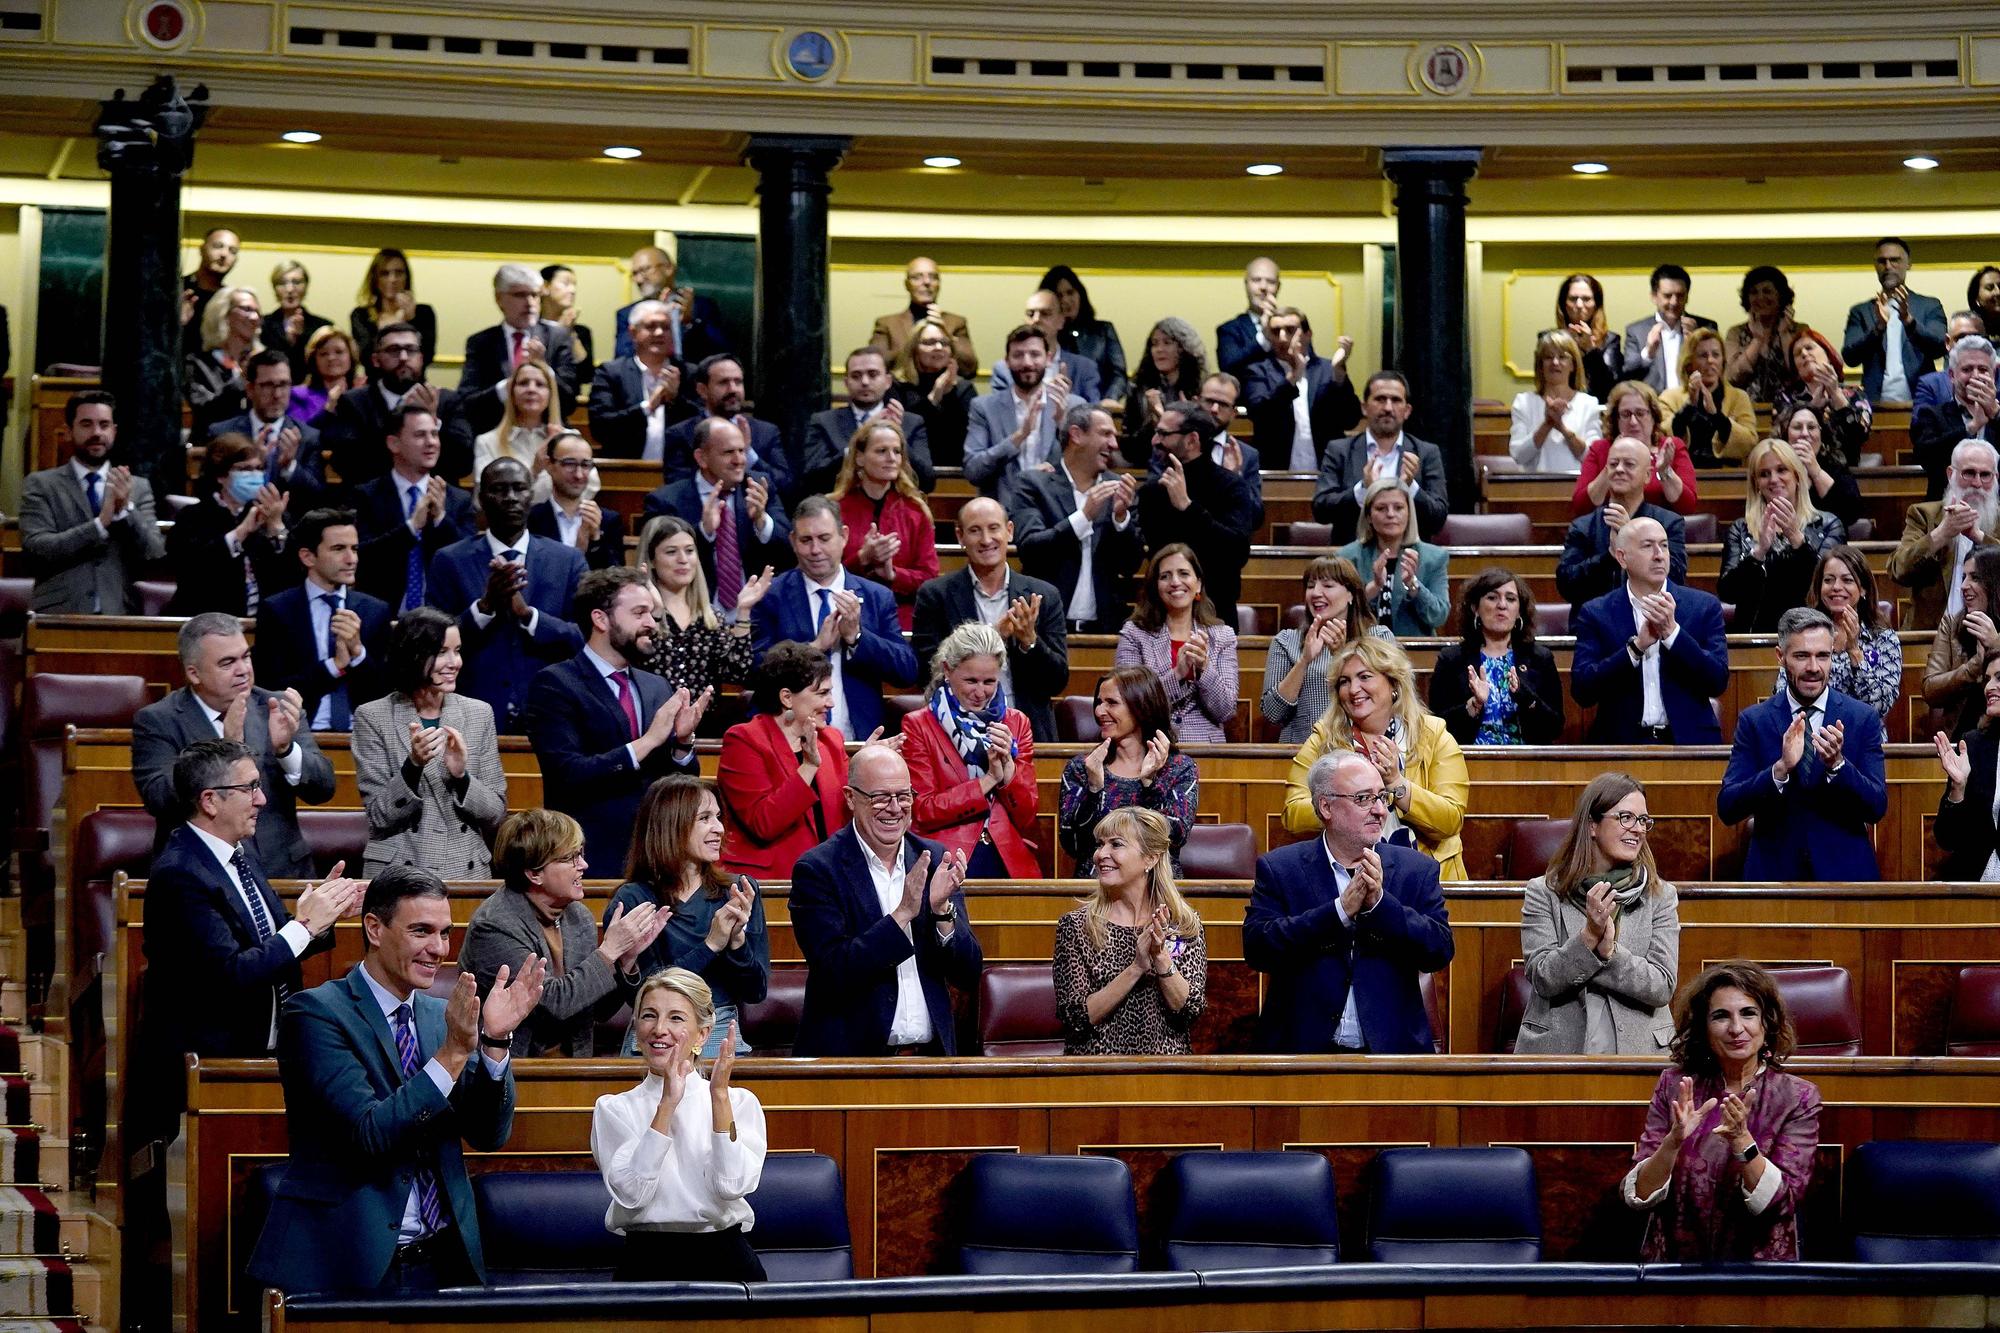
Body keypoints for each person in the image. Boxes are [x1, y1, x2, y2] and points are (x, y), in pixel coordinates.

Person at [244, 866, 545, 1295]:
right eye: (421, 931)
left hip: (442, 1261)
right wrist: (454, 1053)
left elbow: (489, 1133)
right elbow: (368, 1133)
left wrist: (495, 1042)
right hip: (348, 1263)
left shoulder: (439, 1016)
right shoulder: (317, 1013)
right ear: (374, 928)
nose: (438, 948)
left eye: (444, 933)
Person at [142, 738, 363, 1061]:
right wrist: (305, 926)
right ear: (210, 801)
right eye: (250, 788)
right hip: (209, 1066)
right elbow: (232, 973)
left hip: (264, 1048)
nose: (261, 799)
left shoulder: (241, 855)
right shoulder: (180, 874)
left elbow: (269, 943)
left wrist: (324, 916)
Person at [1246, 750, 1454, 1054]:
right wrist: (1338, 912)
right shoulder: (1280, 869)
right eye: (1364, 799)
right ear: (1326, 807)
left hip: (1391, 1058)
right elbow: (1258, 949)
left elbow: (1439, 950)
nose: (1380, 811)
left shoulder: (1416, 870)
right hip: (1302, 1057)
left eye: (1382, 797)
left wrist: (1382, 905)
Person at [789, 743, 983, 1056]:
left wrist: (941, 912)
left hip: (931, 1060)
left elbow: (968, 971)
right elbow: (834, 971)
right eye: (880, 797)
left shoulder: (933, 858)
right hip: (851, 1066)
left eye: (904, 796)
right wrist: (903, 914)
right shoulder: (818, 869)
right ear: (851, 798)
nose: (894, 808)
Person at [1624, 961, 1822, 1261]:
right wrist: (1673, 1141)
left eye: (1748, 1013)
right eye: (1720, 1016)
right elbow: (1639, 1194)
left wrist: (1742, 1141)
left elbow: (1782, 1202)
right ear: (1703, 1027)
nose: (1736, 1028)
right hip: (1675, 1270)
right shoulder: (1675, 1084)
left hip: (1759, 1274)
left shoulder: (1797, 1096)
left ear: (1766, 1022)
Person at [524, 567, 706, 877]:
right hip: (591, 856)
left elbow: (675, 782)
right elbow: (567, 773)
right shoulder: (555, 684)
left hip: (656, 856)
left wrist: (682, 743)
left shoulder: (656, 686)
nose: (651, 623)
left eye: (651, 613)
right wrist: (646, 742)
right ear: (601, 619)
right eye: (639, 613)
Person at [590, 968, 767, 1281]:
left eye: (675, 1018)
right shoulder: (613, 1108)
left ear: (701, 1034)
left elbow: (732, 1186)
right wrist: (667, 1104)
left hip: (725, 1259)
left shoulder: (739, 1102)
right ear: (635, 1027)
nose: (659, 1029)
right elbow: (632, 1194)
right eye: (648, 1016)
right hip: (646, 1261)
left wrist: (719, 1098)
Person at [133, 613, 337, 877]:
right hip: (199, 878)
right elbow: (159, 798)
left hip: (281, 874)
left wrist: (286, 751)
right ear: (194, 673)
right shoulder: (159, 720)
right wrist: (225, 747)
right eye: (227, 662)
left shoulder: (274, 706)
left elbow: (323, 789)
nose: (243, 669)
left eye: (245, 657)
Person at [466, 808, 666, 1058]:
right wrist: (609, 951)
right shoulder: (495, 926)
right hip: (513, 1068)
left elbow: (596, 1008)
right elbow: (553, 1003)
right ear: (534, 873)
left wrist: (625, 960)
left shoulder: (578, 916)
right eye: (570, 858)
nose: (584, 865)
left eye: (580, 854)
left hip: (573, 1064)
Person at [1282, 636, 1470, 879]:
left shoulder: (1432, 735)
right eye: (1344, 681)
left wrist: (1396, 784)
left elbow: (1451, 819)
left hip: (1426, 878)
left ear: (1393, 684)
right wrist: (1345, 803)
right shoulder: (1324, 739)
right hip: (1345, 878)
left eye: (1365, 677)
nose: (1353, 689)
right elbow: (1292, 814)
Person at [1720, 607, 1887, 881]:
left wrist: (1838, 766)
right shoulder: (1755, 721)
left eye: (1823, 656)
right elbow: (1728, 807)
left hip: (1846, 879)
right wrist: (1780, 769)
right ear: (1781, 657)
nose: (1813, 668)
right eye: (1801, 656)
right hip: (1774, 880)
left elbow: (1876, 806)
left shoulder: (1861, 718)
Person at [1516, 773, 1679, 1054]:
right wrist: (1589, 937)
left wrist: (1610, 955)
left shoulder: (1660, 896)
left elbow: (1661, 986)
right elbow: (1543, 978)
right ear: (1592, 825)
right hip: (1558, 1051)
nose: (1638, 829)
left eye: (1643, 821)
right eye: (1626, 817)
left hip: (1640, 1051)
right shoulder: (1544, 892)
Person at [607, 780, 770, 1056]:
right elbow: (647, 995)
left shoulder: (738, 890)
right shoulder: (634, 899)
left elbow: (756, 991)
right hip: (655, 1039)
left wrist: (737, 943)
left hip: (718, 1035)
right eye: (705, 818)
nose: (719, 828)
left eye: (718, 818)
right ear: (672, 825)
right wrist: (711, 945)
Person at [424, 456, 586, 731]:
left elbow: (586, 638)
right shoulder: (450, 560)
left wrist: (529, 616)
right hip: (469, 714)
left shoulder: (567, 561)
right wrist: (484, 608)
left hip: (550, 711)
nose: (510, 497)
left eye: (519, 488)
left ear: (531, 496)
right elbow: (430, 643)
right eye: (499, 489)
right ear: (481, 499)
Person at [350, 607, 508, 879]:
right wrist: (413, 765)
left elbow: (496, 813)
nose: (454, 662)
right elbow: (379, 816)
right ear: (414, 654)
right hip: (399, 873)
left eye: (457, 651)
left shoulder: (479, 713)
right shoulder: (373, 716)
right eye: (442, 652)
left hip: (465, 870)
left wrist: (462, 777)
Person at [749, 495, 917, 741]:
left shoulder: (876, 596)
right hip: (785, 741)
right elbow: (753, 671)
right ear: (793, 542)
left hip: (858, 740)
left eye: (824, 538)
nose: (815, 550)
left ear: (844, 536)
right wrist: (813, 648)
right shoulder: (771, 595)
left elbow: (906, 671)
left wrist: (856, 637)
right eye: (806, 540)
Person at [912, 497, 1068, 742]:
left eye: (993, 528)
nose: (986, 540)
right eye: (975, 531)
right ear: (960, 536)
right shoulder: (935, 595)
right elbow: (925, 672)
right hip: (953, 733)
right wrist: (993, 635)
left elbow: (1057, 681)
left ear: (1009, 531)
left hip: (1028, 734)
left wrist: (1029, 642)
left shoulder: (1044, 595)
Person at [1053, 807, 1206, 1054]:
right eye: (1100, 844)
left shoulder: (1182, 924)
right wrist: (1136, 968)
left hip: (1167, 1075)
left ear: (1151, 858)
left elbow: (1189, 1011)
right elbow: (1077, 1018)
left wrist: (1161, 960)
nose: (1101, 854)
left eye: (1116, 844)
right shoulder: (1077, 927)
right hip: (1096, 1074)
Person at [1571, 517, 1730, 745]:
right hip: (1620, 745)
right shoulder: (1596, 612)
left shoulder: (1704, 606)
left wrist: (1673, 634)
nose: (1659, 555)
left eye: (1664, 545)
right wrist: (1636, 648)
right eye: (1647, 546)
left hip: (1690, 745)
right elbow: (1583, 690)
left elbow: (1717, 681)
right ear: (1622, 557)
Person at [901, 622, 1040, 879]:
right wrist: (988, 781)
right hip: (945, 853)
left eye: (989, 681)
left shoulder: (1016, 722)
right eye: (970, 680)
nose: (980, 692)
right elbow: (922, 810)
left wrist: (1008, 773)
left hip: (1007, 852)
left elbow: (1028, 815)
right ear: (947, 670)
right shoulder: (919, 725)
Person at [18, 389, 167, 614]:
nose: (97, 432)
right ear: (69, 431)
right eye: (86, 424)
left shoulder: (137, 487)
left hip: (120, 612)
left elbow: (154, 552)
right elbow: (37, 549)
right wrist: (100, 524)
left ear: (114, 432)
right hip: (58, 613)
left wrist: (126, 509)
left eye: (104, 425)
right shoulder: (41, 485)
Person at [716, 642, 850, 881]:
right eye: (822, 693)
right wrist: (808, 767)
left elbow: (846, 816)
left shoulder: (832, 740)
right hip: (769, 883)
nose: (831, 703)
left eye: (830, 692)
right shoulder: (744, 741)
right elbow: (763, 822)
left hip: (830, 879)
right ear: (787, 697)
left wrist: (868, 771)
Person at [1008, 401, 1141, 633]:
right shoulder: (1034, 484)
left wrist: (1121, 519)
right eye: (1105, 434)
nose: (1114, 444)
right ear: (1076, 435)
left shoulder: (1120, 490)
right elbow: (1031, 549)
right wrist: (1083, 517)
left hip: (1104, 628)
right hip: (1045, 627)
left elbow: (1130, 565)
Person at [255, 507, 392, 731]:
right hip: (300, 732)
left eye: (354, 549)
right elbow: (270, 689)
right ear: (308, 556)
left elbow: (384, 693)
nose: (352, 559)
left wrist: (358, 653)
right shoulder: (277, 610)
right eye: (339, 549)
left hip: (363, 734)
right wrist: (333, 667)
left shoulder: (375, 611)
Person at [642, 417, 793, 611]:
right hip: (694, 614)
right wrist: (704, 532)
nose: (739, 460)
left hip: (757, 615)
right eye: (729, 452)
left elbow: (788, 550)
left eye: (742, 451)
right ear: (701, 458)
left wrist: (761, 521)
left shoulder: (759, 486)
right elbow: (656, 561)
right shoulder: (666, 501)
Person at [1059, 667, 1199, 874]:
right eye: (1099, 702)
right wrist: (1094, 790)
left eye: (1112, 703)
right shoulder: (1082, 768)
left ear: (1142, 707)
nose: (1099, 711)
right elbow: (1075, 846)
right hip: (1097, 892)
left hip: (1156, 891)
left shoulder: (1179, 769)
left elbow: (1174, 836)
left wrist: (1151, 785)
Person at [1139, 400, 1257, 626]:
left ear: (1192, 439)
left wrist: (1188, 507)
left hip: (1216, 614)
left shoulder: (1231, 486)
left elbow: (1236, 552)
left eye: (1164, 434)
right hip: (1161, 616)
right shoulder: (1153, 491)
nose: (1155, 441)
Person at [352, 404, 479, 611]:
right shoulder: (366, 496)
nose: (431, 443)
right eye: (420, 435)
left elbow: (468, 563)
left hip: (442, 617)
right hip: (383, 613)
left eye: (434, 434)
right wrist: (411, 528)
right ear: (394, 443)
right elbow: (363, 558)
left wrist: (440, 519)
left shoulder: (459, 499)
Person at [323, 320, 476, 488]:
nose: (403, 358)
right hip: (372, 503)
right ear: (375, 359)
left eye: (410, 350)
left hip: (435, 500)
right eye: (394, 350)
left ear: (421, 358)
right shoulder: (353, 402)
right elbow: (344, 463)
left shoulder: (447, 401)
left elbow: (463, 464)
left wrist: (432, 424)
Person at [1718, 438, 1846, 632]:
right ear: (1756, 484)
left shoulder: (1829, 525)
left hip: (1813, 636)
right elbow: (1727, 592)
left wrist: (1796, 538)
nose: (1774, 479)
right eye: (1764, 474)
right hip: (1754, 637)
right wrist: (1759, 551)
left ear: (1797, 475)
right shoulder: (1740, 529)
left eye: (1781, 470)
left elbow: (1827, 586)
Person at [1261, 556, 1392, 745]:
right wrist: (1304, 660)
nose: (1316, 593)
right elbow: (1273, 713)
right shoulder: (1286, 641)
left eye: (1328, 586)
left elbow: (1391, 699)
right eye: (1310, 586)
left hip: (1363, 753)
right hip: (1301, 752)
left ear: (1351, 595)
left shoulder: (1378, 638)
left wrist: (1342, 654)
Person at [1115, 543, 1239, 744]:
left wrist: (1205, 668)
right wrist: (1177, 674)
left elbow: (1225, 710)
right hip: (1150, 745)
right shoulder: (1135, 634)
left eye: (1183, 574)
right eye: (1165, 576)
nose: (1175, 582)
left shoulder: (1222, 636)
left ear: (1198, 584)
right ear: (1156, 586)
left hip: (1206, 749)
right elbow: (1131, 703)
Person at [1427, 567, 1565, 746]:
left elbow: (1555, 727)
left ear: (1519, 611)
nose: (1502, 605)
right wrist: (1473, 705)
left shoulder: (1540, 659)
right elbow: (1435, 726)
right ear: (1475, 608)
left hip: (1529, 764)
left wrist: (1527, 698)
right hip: (1467, 761)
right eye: (1492, 597)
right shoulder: (1452, 660)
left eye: (1510, 599)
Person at [164, 431, 294, 617]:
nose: (254, 475)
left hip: (262, 622)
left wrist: (277, 528)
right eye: (244, 469)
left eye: (259, 468)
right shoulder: (192, 517)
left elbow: (291, 575)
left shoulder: (270, 514)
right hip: (208, 622)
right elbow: (194, 572)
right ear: (220, 475)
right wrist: (240, 533)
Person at [1312, 371, 1449, 544]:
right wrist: (1362, 489)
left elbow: (1438, 519)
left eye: (1396, 400)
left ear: (1407, 411)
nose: (1388, 408)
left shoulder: (1426, 452)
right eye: (1380, 399)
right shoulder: (1339, 451)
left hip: (1410, 559)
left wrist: (1410, 487)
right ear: (1364, 407)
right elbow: (1321, 510)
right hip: (1353, 558)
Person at [635, 515, 765, 697]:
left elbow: (737, 673)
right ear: (652, 560)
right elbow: (632, 663)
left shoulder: (711, 617)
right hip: (652, 722)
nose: (683, 559)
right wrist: (655, 613)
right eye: (671, 552)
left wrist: (743, 612)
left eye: (689, 551)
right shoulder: (638, 615)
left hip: (705, 722)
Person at [831, 419, 938, 630]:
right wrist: (862, 559)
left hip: (901, 616)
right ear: (859, 457)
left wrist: (893, 575)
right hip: (842, 612)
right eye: (881, 451)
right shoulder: (834, 509)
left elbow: (929, 578)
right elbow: (821, 569)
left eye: (897, 452)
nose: (891, 458)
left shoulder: (916, 511)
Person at [1557, 436, 1690, 606]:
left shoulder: (1669, 523)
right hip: (1595, 625)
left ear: (1648, 475)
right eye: (1613, 464)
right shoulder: (1583, 526)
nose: (1619, 469)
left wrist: (1632, 536)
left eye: (1629, 464)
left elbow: (1675, 579)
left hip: (1652, 619)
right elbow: (1566, 586)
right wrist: (1610, 556)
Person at [1779, 545, 1902, 722]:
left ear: (1863, 589)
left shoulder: (1884, 639)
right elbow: (1782, 693)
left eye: (1847, 580)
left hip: (1861, 738)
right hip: (1808, 733)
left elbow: (1879, 706)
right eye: (1828, 580)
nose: (1836, 587)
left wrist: (1855, 652)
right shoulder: (1802, 634)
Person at [1890, 437, 2000, 629]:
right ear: (1951, 474)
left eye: (1985, 475)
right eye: (1969, 473)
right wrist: (1942, 533)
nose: (1977, 483)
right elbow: (1899, 571)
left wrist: (1979, 537)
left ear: (1996, 478)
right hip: (1929, 637)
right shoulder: (1923, 515)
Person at [457, 263, 580, 435]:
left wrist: (544, 369)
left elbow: (569, 403)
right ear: (499, 298)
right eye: (520, 295)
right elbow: (467, 403)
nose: (530, 303)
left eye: (535, 295)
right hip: (495, 435)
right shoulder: (481, 342)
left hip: (547, 436)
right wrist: (508, 387)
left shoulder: (558, 337)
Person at [964, 324, 1079, 499]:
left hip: (1057, 512)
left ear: (1048, 359)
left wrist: (1061, 425)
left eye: (1035, 354)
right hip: (1003, 514)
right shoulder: (984, 407)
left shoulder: (1072, 405)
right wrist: (1019, 436)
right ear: (1006, 361)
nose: (1027, 363)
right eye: (1018, 355)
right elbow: (973, 470)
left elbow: (1085, 467)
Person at [1242, 307, 1361, 473]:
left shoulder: (1328, 370)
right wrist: (1294, 376)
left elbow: (1350, 419)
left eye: (1290, 330)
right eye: (1276, 332)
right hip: (1276, 471)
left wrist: (1339, 375)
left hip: (1327, 471)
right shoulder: (1257, 371)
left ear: (1308, 334)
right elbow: (1261, 414)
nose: (1282, 338)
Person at [805, 347, 936, 495]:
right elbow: (812, 480)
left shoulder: (911, 423)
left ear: (887, 381)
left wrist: (898, 437)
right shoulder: (824, 422)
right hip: (839, 508)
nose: (865, 382)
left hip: (894, 509)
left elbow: (927, 482)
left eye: (873, 375)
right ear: (846, 383)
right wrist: (861, 435)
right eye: (856, 376)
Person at [659, 355, 793, 498]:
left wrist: (748, 453)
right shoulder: (681, 434)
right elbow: (677, 490)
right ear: (702, 390)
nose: (733, 389)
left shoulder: (766, 432)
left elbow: (784, 484)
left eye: (738, 382)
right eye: (723, 383)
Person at [208, 348, 325, 508]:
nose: (277, 394)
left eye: (283, 384)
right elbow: (207, 491)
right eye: (267, 385)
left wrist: (289, 466)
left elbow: (317, 497)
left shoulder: (308, 437)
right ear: (250, 389)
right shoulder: (222, 433)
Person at [1335, 475, 1450, 636]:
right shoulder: (1347, 557)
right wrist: (1372, 588)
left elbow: (1439, 616)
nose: (1390, 514)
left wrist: (1412, 584)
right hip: (1362, 650)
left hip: (1413, 653)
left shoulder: (1434, 557)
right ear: (1368, 516)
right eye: (1381, 508)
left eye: (1398, 507)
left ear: (1409, 513)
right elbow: (1338, 613)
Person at [1842, 236, 1947, 404]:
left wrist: (1909, 322)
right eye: (1882, 261)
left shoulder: (1929, 306)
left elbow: (1940, 347)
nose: (1888, 266)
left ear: (1908, 264)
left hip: (1923, 403)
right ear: (1875, 265)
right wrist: (1878, 328)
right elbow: (1850, 357)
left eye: (1895, 260)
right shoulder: (1861, 311)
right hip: (1875, 405)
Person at [589, 298, 697, 463]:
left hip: (678, 472)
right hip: (626, 470)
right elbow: (601, 427)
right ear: (633, 333)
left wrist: (676, 400)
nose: (660, 333)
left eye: (666, 327)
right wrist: (648, 407)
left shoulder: (688, 373)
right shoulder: (611, 373)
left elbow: (702, 425)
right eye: (651, 326)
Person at [1570, 380, 1698, 516]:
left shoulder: (1671, 447)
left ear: (1654, 416)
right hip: (1609, 529)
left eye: (1640, 413)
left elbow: (1687, 507)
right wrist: (1612, 464)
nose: (1633, 422)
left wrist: (1665, 471)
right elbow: (1580, 507)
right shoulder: (1601, 449)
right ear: (1616, 419)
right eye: (1625, 415)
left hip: (1660, 530)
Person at [473, 359, 583, 505]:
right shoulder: (487, 442)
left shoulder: (571, 439)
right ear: (511, 392)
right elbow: (483, 499)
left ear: (551, 394)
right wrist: (534, 471)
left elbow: (589, 487)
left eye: (540, 384)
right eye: (523, 383)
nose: (531, 389)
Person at [1933, 655, 2000, 879]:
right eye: (1988, 679)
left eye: (1999, 678)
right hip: (1978, 884)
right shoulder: (1973, 744)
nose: (1990, 687)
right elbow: (1947, 839)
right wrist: (1957, 789)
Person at [1923, 546, 2000, 739]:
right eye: (1963, 577)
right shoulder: (1952, 623)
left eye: (1975, 577)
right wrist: (1974, 666)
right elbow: (1930, 689)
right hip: (1961, 737)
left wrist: (1995, 645)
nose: (1964, 586)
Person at [1911, 334, 2000, 500]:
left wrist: (1995, 414)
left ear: (1993, 374)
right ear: (1952, 375)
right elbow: (1926, 458)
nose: (1975, 376)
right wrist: (1972, 427)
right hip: (1947, 510)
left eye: (1983, 369)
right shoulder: (1931, 415)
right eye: (1967, 370)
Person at [1770, 330, 1872, 470]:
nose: (1805, 354)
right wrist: (1812, 409)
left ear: (1828, 355)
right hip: (1798, 472)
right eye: (1798, 354)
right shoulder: (1785, 397)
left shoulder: (1855, 393)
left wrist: (1836, 394)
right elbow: (1780, 439)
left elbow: (1860, 434)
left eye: (1809, 348)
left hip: (1844, 471)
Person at [1659, 328, 1758, 468]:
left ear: (1723, 361)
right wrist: (1689, 406)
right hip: (1681, 475)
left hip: (1726, 478)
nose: (1710, 360)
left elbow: (1749, 442)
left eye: (1716, 355)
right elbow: (1663, 437)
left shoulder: (1738, 397)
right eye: (1703, 355)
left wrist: (1716, 416)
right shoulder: (1669, 398)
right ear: (1689, 364)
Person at [612, 245, 728, 362]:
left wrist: (690, 323)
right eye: (635, 274)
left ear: (668, 268)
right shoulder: (627, 314)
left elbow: (720, 355)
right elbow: (623, 358)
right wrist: (658, 315)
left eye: (644, 270)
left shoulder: (702, 307)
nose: (639, 280)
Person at [531, 430, 626, 571]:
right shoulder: (531, 518)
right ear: (549, 464)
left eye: (586, 465)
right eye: (569, 464)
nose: (579, 474)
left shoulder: (608, 521)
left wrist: (595, 541)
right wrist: (576, 552)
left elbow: (615, 581)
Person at [1509, 330, 1600, 473]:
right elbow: (1519, 455)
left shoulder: (1588, 404)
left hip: (1577, 488)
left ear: (1573, 365)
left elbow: (1593, 458)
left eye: (1563, 357)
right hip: (1536, 489)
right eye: (1548, 357)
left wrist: (1562, 428)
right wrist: (1547, 425)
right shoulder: (1524, 403)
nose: (1555, 362)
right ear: (1540, 365)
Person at [869, 255, 977, 376]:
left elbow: (970, 369)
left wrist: (946, 336)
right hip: (900, 391)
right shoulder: (887, 324)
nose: (926, 282)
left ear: (939, 284)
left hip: (947, 391)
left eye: (933, 277)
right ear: (907, 285)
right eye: (917, 277)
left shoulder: (956, 323)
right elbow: (874, 366)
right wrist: (914, 342)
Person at [890, 316, 976, 467]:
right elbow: (904, 434)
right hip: (908, 470)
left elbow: (971, 437)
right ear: (914, 349)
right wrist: (933, 398)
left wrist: (949, 396)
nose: (938, 347)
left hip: (956, 473)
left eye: (944, 343)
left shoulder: (963, 388)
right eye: (929, 342)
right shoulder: (897, 386)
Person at [991, 288, 1102, 404]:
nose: (1036, 319)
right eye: (1030, 314)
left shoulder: (1084, 368)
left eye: (1045, 313)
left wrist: (1066, 401)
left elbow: (1091, 414)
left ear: (1061, 320)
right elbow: (1000, 415)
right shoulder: (1003, 369)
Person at [1619, 263, 1718, 393]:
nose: (1674, 302)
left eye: (1680, 295)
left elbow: (1717, 370)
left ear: (1687, 296)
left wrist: (1696, 343)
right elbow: (1627, 376)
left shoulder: (1705, 327)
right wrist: (1648, 353)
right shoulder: (1636, 331)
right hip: (1654, 406)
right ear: (1654, 296)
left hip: (1694, 403)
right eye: (1667, 295)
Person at [1121, 317, 1207, 464]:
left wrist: (1187, 419)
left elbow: (1204, 442)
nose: (1159, 349)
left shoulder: (1201, 388)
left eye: (1167, 343)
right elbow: (1131, 449)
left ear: (1183, 347)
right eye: (1154, 344)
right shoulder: (1139, 388)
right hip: (1148, 463)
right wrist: (1151, 422)